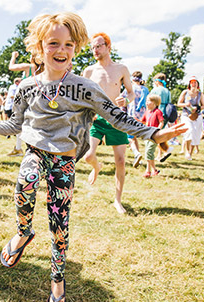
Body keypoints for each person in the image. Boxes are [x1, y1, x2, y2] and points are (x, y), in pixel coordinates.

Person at [0, 12, 187, 302]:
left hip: (64, 162)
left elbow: (117, 117)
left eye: (68, 44)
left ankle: (57, 282)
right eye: (54, 43)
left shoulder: (85, 87)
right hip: (36, 152)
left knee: (59, 227)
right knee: (26, 179)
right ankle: (23, 231)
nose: (61, 50)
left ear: (76, 47)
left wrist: (155, 133)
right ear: (39, 46)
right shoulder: (27, 86)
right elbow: (15, 124)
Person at [82, 32, 135, 214]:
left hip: (116, 118)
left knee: (120, 161)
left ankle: (117, 200)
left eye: (98, 46)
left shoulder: (121, 69)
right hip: (97, 119)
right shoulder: (89, 71)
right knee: (88, 156)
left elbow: (131, 92)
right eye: (93, 47)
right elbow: (84, 97)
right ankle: (97, 167)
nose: (95, 50)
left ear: (108, 46)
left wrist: (126, 101)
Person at [177, 76, 204, 160]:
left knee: (196, 135)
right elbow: (179, 103)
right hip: (186, 115)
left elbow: (203, 105)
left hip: (197, 115)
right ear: (189, 84)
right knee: (189, 131)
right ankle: (186, 151)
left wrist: (198, 107)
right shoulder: (185, 92)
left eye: (195, 82)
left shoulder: (200, 94)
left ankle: (190, 153)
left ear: (197, 84)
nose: (193, 84)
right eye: (192, 82)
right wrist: (186, 105)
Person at [125, 71, 149, 168]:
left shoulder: (130, 88)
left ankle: (136, 153)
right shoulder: (145, 89)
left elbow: (122, 99)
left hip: (132, 115)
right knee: (135, 137)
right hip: (142, 117)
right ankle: (138, 157)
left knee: (129, 138)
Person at [149, 73, 173, 161]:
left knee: (155, 134)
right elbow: (169, 102)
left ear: (157, 81)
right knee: (161, 133)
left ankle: (164, 151)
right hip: (165, 113)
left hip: (157, 112)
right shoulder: (167, 91)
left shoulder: (155, 90)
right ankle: (160, 154)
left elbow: (150, 101)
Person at [140, 95, 165, 178]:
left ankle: (148, 171)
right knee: (148, 153)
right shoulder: (147, 112)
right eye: (146, 101)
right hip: (147, 135)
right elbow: (143, 121)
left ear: (155, 103)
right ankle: (154, 170)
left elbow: (161, 122)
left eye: (149, 101)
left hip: (153, 136)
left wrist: (157, 130)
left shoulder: (158, 112)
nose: (146, 103)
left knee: (148, 152)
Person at [4, 78, 23, 157]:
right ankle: (18, 148)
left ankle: (18, 148)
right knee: (17, 126)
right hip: (13, 107)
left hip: (13, 107)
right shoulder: (14, 87)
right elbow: (11, 96)